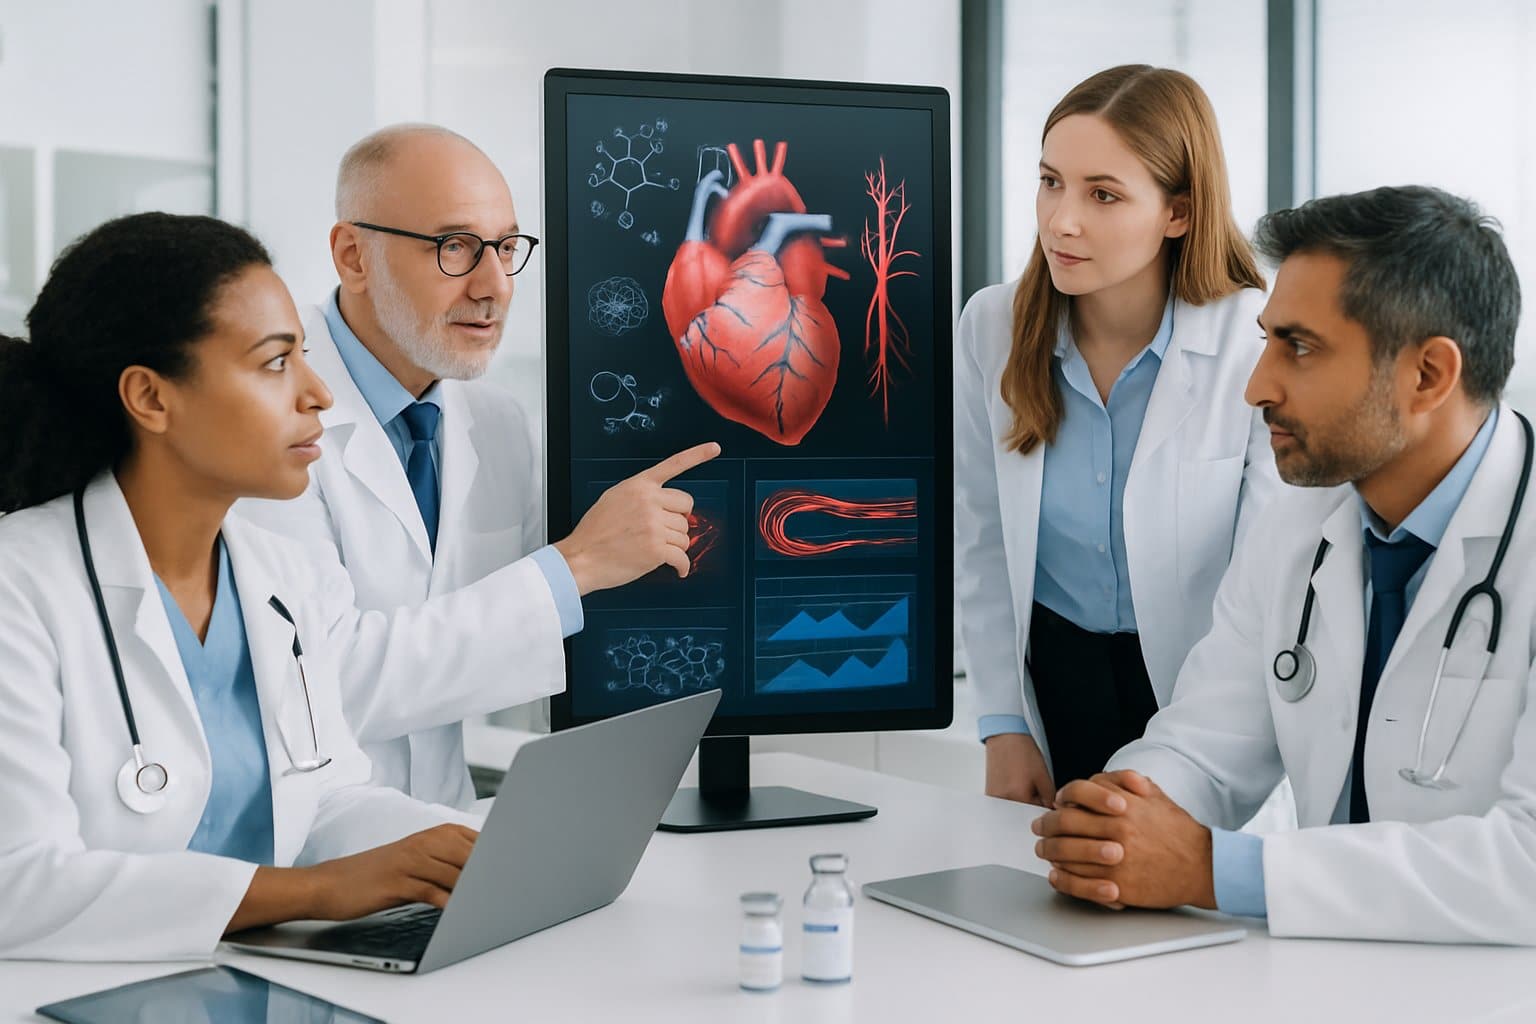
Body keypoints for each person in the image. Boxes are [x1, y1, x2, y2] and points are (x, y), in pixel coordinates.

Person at [0, 212, 514, 960]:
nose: (319, 394)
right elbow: (17, 885)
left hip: (253, 979)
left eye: (305, 355)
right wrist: (315, 892)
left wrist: (476, 849)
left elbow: (327, 798)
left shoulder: (284, 576)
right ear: (151, 398)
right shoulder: (20, 587)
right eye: (276, 363)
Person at [1032, 185, 1536, 945]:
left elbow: (1525, 867)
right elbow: (1205, 744)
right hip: (1322, 974)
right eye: (1267, 339)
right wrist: (1115, 817)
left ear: (1429, 375)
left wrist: (1215, 870)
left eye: (1299, 347)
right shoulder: (1300, 519)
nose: (1256, 386)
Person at [240, 124, 718, 807]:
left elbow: (527, 639)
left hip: (446, 831)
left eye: (507, 247)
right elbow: (324, 680)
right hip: (314, 848)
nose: (494, 287)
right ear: (354, 256)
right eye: (456, 247)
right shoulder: (261, 418)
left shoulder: (497, 426)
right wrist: (576, 564)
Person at [955, 65, 1281, 804]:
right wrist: (1004, 725)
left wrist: (1174, 767)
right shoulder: (992, 326)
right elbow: (981, 538)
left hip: (1202, 695)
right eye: (1050, 182)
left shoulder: (1253, 341)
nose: (1061, 221)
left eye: (1102, 194)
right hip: (1051, 684)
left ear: (1179, 213)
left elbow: (1268, 584)